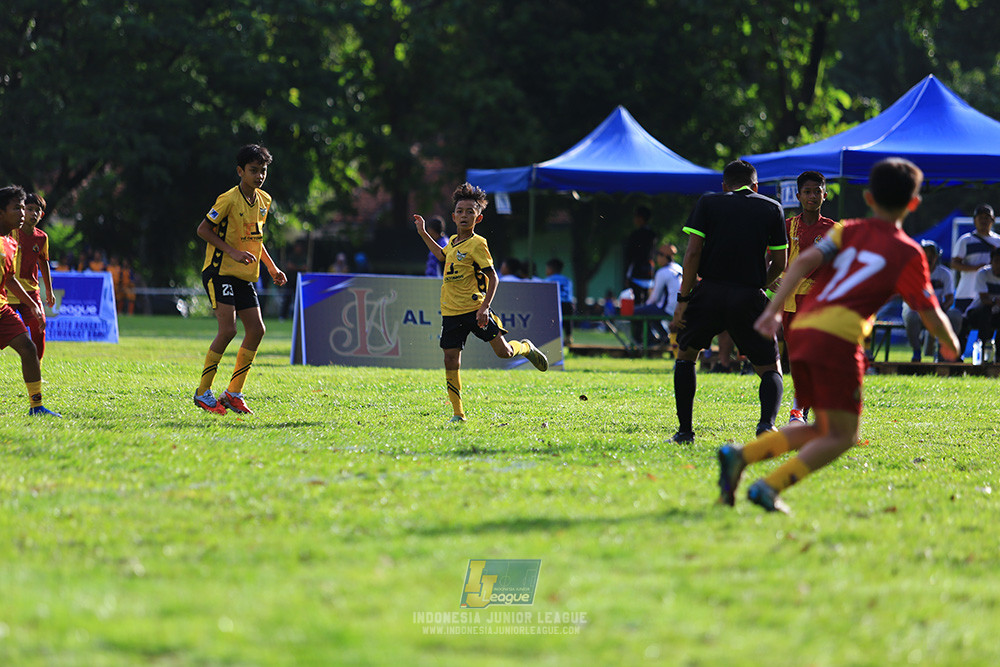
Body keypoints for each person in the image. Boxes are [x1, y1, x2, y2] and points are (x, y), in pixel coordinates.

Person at [717, 158, 960, 514]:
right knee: (843, 435)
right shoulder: (909, 253)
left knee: (826, 428)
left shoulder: (848, 230)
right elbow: (930, 312)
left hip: (804, 326)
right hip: (837, 338)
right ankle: (769, 487)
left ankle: (740, 456)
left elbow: (799, 262)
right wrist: (949, 344)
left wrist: (772, 311)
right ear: (913, 204)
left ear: (869, 198)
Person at [670, 160, 788, 444]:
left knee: (686, 357)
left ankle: (685, 432)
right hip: (748, 295)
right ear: (755, 186)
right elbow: (780, 261)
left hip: (708, 291)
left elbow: (693, 254)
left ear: (724, 186)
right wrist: (761, 281)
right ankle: (766, 426)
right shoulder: (772, 207)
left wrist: (683, 299)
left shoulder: (709, 202)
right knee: (770, 368)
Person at [413, 182, 548, 423]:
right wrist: (423, 232)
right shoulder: (452, 241)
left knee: (504, 353)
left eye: (470, 211)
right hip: (451, 312)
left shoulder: (478, 243)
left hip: (476, 310)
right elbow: (441, 256)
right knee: (450, 359)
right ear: (453, 216)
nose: (465, 215)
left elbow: (493, 277)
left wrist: (485, 307)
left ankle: (526, 347)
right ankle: (458, 414)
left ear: (479, 217)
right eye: (460, 211)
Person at [193, 144, 287, 415]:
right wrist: (232, 251)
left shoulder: (264, 201)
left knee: (257, 330)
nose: (259, 176)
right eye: (253, 171)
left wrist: (271, 267)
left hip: (244, 275)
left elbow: (256, 239)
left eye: (263, 171)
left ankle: (233, 393)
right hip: (219, 271)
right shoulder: (228, 199)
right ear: (240, 171)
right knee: (229, 330)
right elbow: (203, 230)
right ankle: (203, 392)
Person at [778, 171, 838, 422]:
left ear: (824, 195)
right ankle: (804, 408)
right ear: (798, 195)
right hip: (791, 303)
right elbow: (771, 260)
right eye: (807, 191)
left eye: (817, 191)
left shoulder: (835, 230)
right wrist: (773, 280)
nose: (812, 196)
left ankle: (798, 411)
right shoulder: (787, 226)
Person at [0, 186, 60, 416]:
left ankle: (36, 406)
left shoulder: (10, 243)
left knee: (28, 347)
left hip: (2, 308)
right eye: (17, 208)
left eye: (24, 208)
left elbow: (10, 278)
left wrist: (34, 304)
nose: (23, 213)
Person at [7, 192, 56, 361]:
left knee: (39, 327)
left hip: (30, 292)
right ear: (22, 210)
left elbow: (44, 263)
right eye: (29, 209)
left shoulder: (42, 238)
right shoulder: (10, 233)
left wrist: (49, 291)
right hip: (8, 291)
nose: (33, 213)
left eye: (37, 211)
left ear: (42, 215)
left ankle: (37, 368)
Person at [950, 204, 1000, 353]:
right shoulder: (966, 240)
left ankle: (986, 358)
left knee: (988, 325)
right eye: (980, 218)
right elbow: (954, 263)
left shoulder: (998, 241)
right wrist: (977, 268)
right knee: (961, 328)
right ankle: (956, 359)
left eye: (987, 218)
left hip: (991, 293)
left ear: (993, 220)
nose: (984, 221)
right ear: (974, 220)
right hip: (966, 292)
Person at [903, 240, 961, 361]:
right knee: (911, 316)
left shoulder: (945, 273)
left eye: (931, 255)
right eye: (925, 254)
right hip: (916, 309)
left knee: (955, 315)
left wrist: (941, 310)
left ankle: (945, 351)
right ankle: (916, 351)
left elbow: (950, 297)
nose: (928, 258)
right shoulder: (913, 272)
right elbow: (908, 297)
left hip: (938, 309)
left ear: (937, 257)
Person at [632, 243, 680, 346]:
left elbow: (655, 297)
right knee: (652, 312)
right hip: (680, 309)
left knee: (637, 312)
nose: (657, 258)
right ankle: (664, 337)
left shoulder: (663, 272)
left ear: (664, 256)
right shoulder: (679, 268)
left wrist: (646, 306)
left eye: (658, 254)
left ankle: (648, 342)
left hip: (669, 310)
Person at [962, 246, 1000, 362]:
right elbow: (984, 299)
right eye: (996, 261)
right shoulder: (983, 274)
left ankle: (997, 356)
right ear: (991, 261)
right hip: (977, 313)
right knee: (986, 310)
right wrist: (995, 301)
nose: (999, 265)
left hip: (996, 314)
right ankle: (983, 350)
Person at [624, 205, 657, 303]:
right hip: (649, 272)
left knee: (636, 303)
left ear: (640, 218)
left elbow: (629, 256)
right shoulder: (653, 235)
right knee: (647, 302)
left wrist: (627, 275)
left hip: (636, 273)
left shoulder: (635, 235)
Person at [544, 258, 574, 345]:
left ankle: (552, 340)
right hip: (568, 304)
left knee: (553, 322)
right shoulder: (567, 280)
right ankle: (568, 337)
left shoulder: (548, 280)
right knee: (568, 322)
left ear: (551, 269)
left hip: (555, 303)